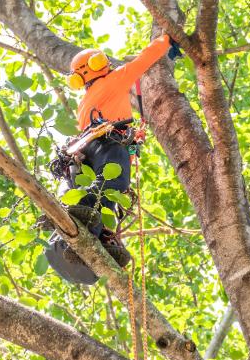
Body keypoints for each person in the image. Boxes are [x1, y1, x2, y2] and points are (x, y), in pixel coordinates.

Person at [44, 34, 182, 284]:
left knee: (102, 192)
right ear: (98, 64)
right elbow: (143, 61)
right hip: (107, 143)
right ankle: (91, 215)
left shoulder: (84, 102)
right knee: (113, 182)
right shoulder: (113, 81)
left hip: (84, 152)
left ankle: (103, 237)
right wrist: (166, 41)